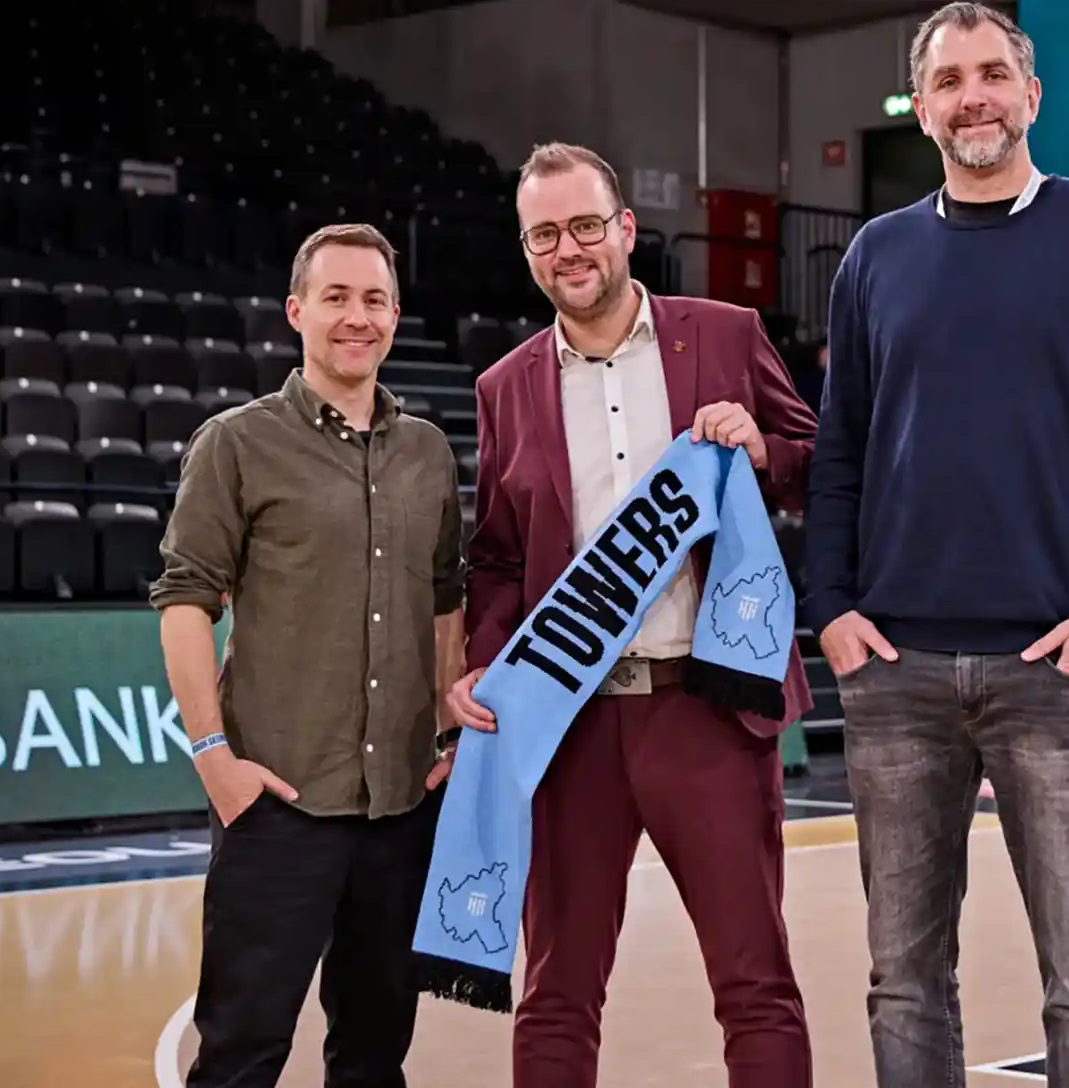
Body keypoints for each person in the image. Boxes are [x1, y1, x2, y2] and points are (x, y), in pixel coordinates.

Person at [804, 1, 1069, 1087]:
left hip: (1051, 668)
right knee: (902, 977)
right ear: (920, 106)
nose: (971, 95)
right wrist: (830, 607)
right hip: (894, 673)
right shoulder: (875, 259)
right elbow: (838, 449)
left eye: (992, 74)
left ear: (1031, 95)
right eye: (947, 79)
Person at [447, 141, 818, 1088]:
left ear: (625, 229)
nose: (567, 250)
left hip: (708, 709)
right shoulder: (504, 387)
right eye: (543, 235)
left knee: (754, 984)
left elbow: (819, 454)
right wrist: (488, 660)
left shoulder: (725, 333)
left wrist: (763, 450)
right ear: (526, 251)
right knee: (558, 992)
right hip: (569, 723)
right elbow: (493, 555)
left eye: (582, 226)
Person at [150, 222, 467, 1088]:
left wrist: (445, 733)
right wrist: (214, 757)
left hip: (398, 810)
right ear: (297, 311)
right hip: (277, 803)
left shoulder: (428, 454)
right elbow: (185, 601)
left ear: (396, 316)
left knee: (373, 1057)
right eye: (336, 297)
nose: (355, 317)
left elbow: (445, 601)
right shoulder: (236, 443)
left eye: (374, 299)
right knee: (242, 1055)